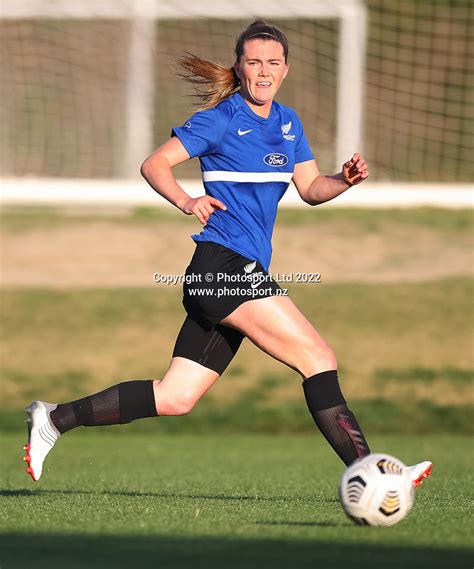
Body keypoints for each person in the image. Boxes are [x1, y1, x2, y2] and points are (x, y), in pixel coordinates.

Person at [24, 20, 432, 487]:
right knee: (318, 357)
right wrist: (187, 200)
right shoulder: (220, 119)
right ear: (238, 67)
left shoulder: (288, 123)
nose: (263, 71)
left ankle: (54, 419)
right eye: (254, 62)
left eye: (272, 63)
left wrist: (343, 179)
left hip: (231, 275)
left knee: (175, 396)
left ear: (286, 70)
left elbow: (311, 189)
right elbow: (153, 163)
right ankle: (375, 473)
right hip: (223, 267)